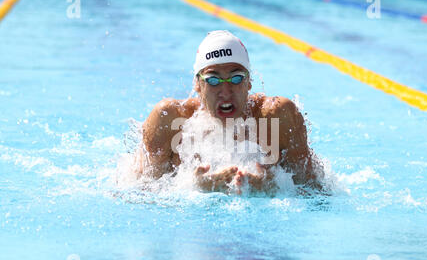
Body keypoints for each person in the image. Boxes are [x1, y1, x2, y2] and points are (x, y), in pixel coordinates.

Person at [137, 30, 323, 194]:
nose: (225, 93)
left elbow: (317, 193)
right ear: (197, 85)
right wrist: (193, 189)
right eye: (213, 80)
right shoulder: (169, 118)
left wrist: (272, 189)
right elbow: (137, 194)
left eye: (236, 78)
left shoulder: (277, 115)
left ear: (249, 81)